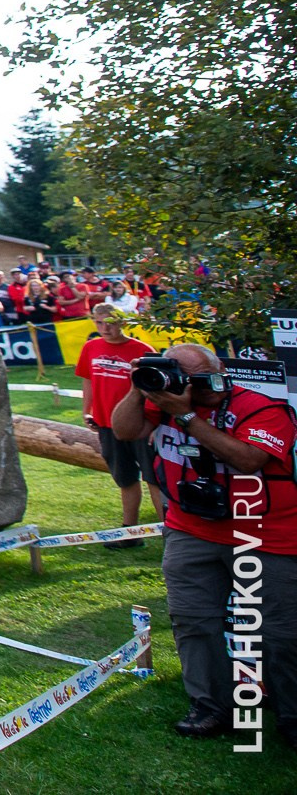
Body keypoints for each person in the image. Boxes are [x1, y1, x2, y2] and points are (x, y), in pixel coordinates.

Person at [111, 343, 296, 742]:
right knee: (194, 622)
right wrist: (138, 387)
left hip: (267, 534)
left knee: (280, 633)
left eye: (187, 379)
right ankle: (212, 707)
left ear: (216, 374)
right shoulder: (163, 401)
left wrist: (188, 416)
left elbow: (248, 459)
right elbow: (124, 431)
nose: (179, 386)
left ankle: (292, 714)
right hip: (189, 529)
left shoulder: (263, 408)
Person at [74, 308, 165, 538]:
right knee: (124, 478)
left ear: (122, 322)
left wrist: (154, 424)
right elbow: (88, 380)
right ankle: (130, 531)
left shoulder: (142, 350)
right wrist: (87, 411)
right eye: (99, 323)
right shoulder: (91, 347)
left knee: (153, 477)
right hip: (107, 424)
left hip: (139, 425)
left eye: (110, 323)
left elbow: (155, 391)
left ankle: (169, 531)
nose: (105, 328)